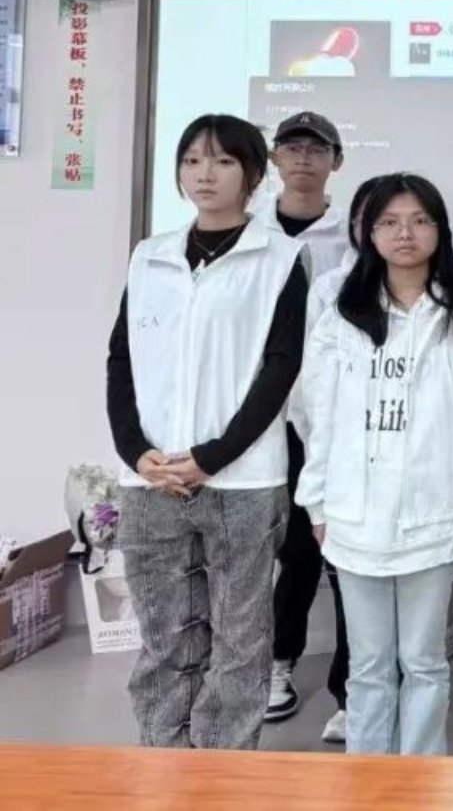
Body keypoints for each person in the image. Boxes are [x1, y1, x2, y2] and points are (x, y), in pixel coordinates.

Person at [106, 113, 309, 750]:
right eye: (192, 160)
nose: (205, 173)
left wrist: (213, 456)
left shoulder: (280, 258)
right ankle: (163, 758)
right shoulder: (151, 255)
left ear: (252, 174)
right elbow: (122, 358)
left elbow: (281, 368)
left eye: (222, 161)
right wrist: (135, 451)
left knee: (240, 640)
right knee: (164, 636)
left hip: (242, 481)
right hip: (152, 479)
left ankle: (224, 769)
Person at [296, 174, 453, 756]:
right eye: (388, 222)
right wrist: (317, 503)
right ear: (368, 233)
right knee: (367, 666)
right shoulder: (344, 313)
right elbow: (317, 414)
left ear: (440, 229)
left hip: (432, 515)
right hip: (353, 516)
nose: (404, 234)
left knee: (424, 663)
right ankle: (368, 779)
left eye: (419, 220)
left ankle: (422, 778)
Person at [256, 111, 348, 726]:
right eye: (291, 147)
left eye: (317, 149)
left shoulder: (354, 238)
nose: (304, 159)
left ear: (335, 161)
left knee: (342, 546)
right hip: (265, 416)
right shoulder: (250, 232)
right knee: (291, 547)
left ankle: (351, 688)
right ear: (274, 158)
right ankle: (278, 659)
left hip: (335, 415)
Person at [292, 174, 383, 745]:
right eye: (376, 219)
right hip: (347, 460)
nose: (391, 231)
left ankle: (393, 697)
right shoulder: (329, 289)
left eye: (407, 220)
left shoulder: (437, 292)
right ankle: (349, 697)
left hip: (405, 462)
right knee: (352, 586)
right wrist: (321, 455)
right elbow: (308, 383)